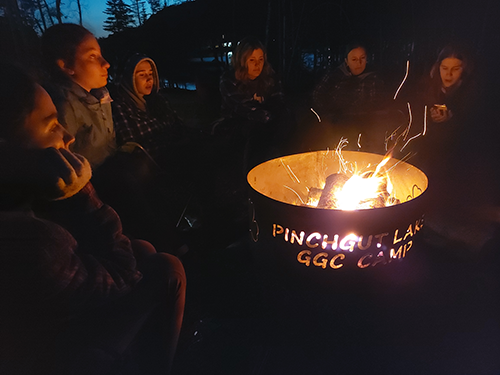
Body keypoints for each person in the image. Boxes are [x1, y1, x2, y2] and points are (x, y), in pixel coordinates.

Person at [0, 63, 186, 375]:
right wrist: (78, 192)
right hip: (48, 354)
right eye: (51, 125)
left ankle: (142, 345)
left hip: (47, 315)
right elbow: (123, 274)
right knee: (168, 269)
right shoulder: (31, 242)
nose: (68, 136)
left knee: (142, 248)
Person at [41, 23, 115, 168]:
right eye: (92, 56)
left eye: (101, 55)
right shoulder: (62, 106)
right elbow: (67, 166)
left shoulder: (101, 95)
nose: (106, 64)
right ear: (66, 66)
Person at [219, 36, 290, 171]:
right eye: (252, 60)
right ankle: (252, 172)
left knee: (286, 118)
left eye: (260, 60)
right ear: (242, 60)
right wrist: (268, 114)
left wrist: (273, 115)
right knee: (255, 130)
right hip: (236, 123)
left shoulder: (270, 78)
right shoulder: (229, 80)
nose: (257, 65)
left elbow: (279, 101)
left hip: (268, 121)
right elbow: (244, 108)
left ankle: (284, 162)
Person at [110, 54, 185, 166]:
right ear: (127, 78)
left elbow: (179, 125)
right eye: (142, 75)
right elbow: (133, 149)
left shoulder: (158, 101)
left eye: (151, 74)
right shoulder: (120, 107)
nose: (149, 79)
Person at [312, 42, 385, 122]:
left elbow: (379, 104)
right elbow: (317, 94)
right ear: (346, 61)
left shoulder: (374, 80)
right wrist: (329, 113)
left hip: (365, 125)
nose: (359, 63)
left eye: (362, 58)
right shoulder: (334, 76)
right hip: (335, 124)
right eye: (354, 59)